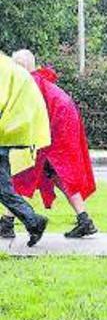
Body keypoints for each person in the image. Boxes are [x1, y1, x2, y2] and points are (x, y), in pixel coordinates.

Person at [0, 50, 97, 239]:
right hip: (62, 126)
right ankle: (84, 220)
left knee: (23, 175)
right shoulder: (38, 82)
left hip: (55, 130)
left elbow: (24, 119)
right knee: (58, 175)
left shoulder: (27, 85)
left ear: (20, 67)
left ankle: (8, 223)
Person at [0, 52, 51, 247]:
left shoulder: (3, 70)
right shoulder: (7, 67)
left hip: (3, 135)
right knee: (4, 189)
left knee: (4, 189)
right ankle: (33, 221)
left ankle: (33, 221)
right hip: (6, 135)